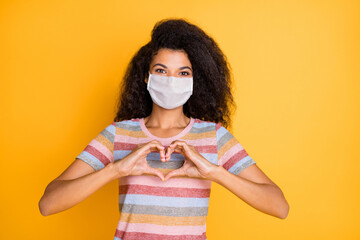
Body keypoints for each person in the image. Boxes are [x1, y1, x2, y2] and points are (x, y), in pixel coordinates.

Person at [39, 18, 289, 240]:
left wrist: (214, 172)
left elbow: (279, 206)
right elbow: (48, 203)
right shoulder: (118, 134)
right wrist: (116, 169)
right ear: (146, 77)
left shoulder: (214, 136)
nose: (171, 80)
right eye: (161, 70)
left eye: (183, 72)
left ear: (194, 81)